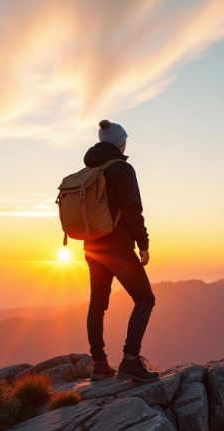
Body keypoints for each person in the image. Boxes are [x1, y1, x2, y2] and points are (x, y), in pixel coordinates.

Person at [83, 120, 159, 383]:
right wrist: (144, 243)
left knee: (98, 304)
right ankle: (130, 360)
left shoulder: (91, 169)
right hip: (117, 249)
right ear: (120, 142)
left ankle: (99, 364)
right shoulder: (122, 169)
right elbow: (132, 210)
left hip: (92, 247)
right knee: (145, 299)